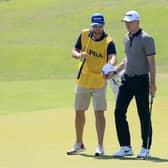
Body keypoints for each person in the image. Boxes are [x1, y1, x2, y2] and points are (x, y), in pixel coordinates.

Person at [105, 10, 156, 158]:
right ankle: (125, 147)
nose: (127, 24)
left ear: (137, 22)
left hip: (141, 80)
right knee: (119, 111)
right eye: (125, 22)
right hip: (127, 80)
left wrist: (153, 84)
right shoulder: (126, 38)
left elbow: (151, 63)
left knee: (143, 114)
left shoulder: (147, 39)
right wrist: (114, 72)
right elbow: (127, 60)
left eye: (129, 22)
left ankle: (145, 148)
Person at [67, 13, 117, 156]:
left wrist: (110, 65)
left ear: (104, 25)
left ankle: (100, 146)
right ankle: (79, 143)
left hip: (99, 82)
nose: (97, 29)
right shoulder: (84, 35)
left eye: (100, 26)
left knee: (99, 112)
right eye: (95, 26)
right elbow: (74, 51)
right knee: (79, 111)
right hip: (83, 80)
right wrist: (79, 55)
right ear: (91, 25)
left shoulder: (108, 41)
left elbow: (112, 57)